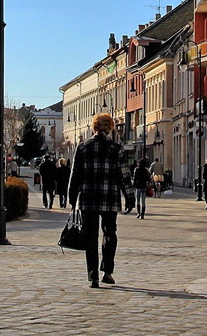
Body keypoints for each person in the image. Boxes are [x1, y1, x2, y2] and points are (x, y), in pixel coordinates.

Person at [68, 112, 125, 288]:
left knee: (90, 236)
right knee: (109, 233)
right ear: (110, 128)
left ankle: (92, 276)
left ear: (94, 127)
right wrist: (130, 197)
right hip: (109, 197)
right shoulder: (116, 148)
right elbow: (123, 175)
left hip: (87, 197)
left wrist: (71, 196)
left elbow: (75, 174)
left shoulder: (83, 147)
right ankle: (107, 271)